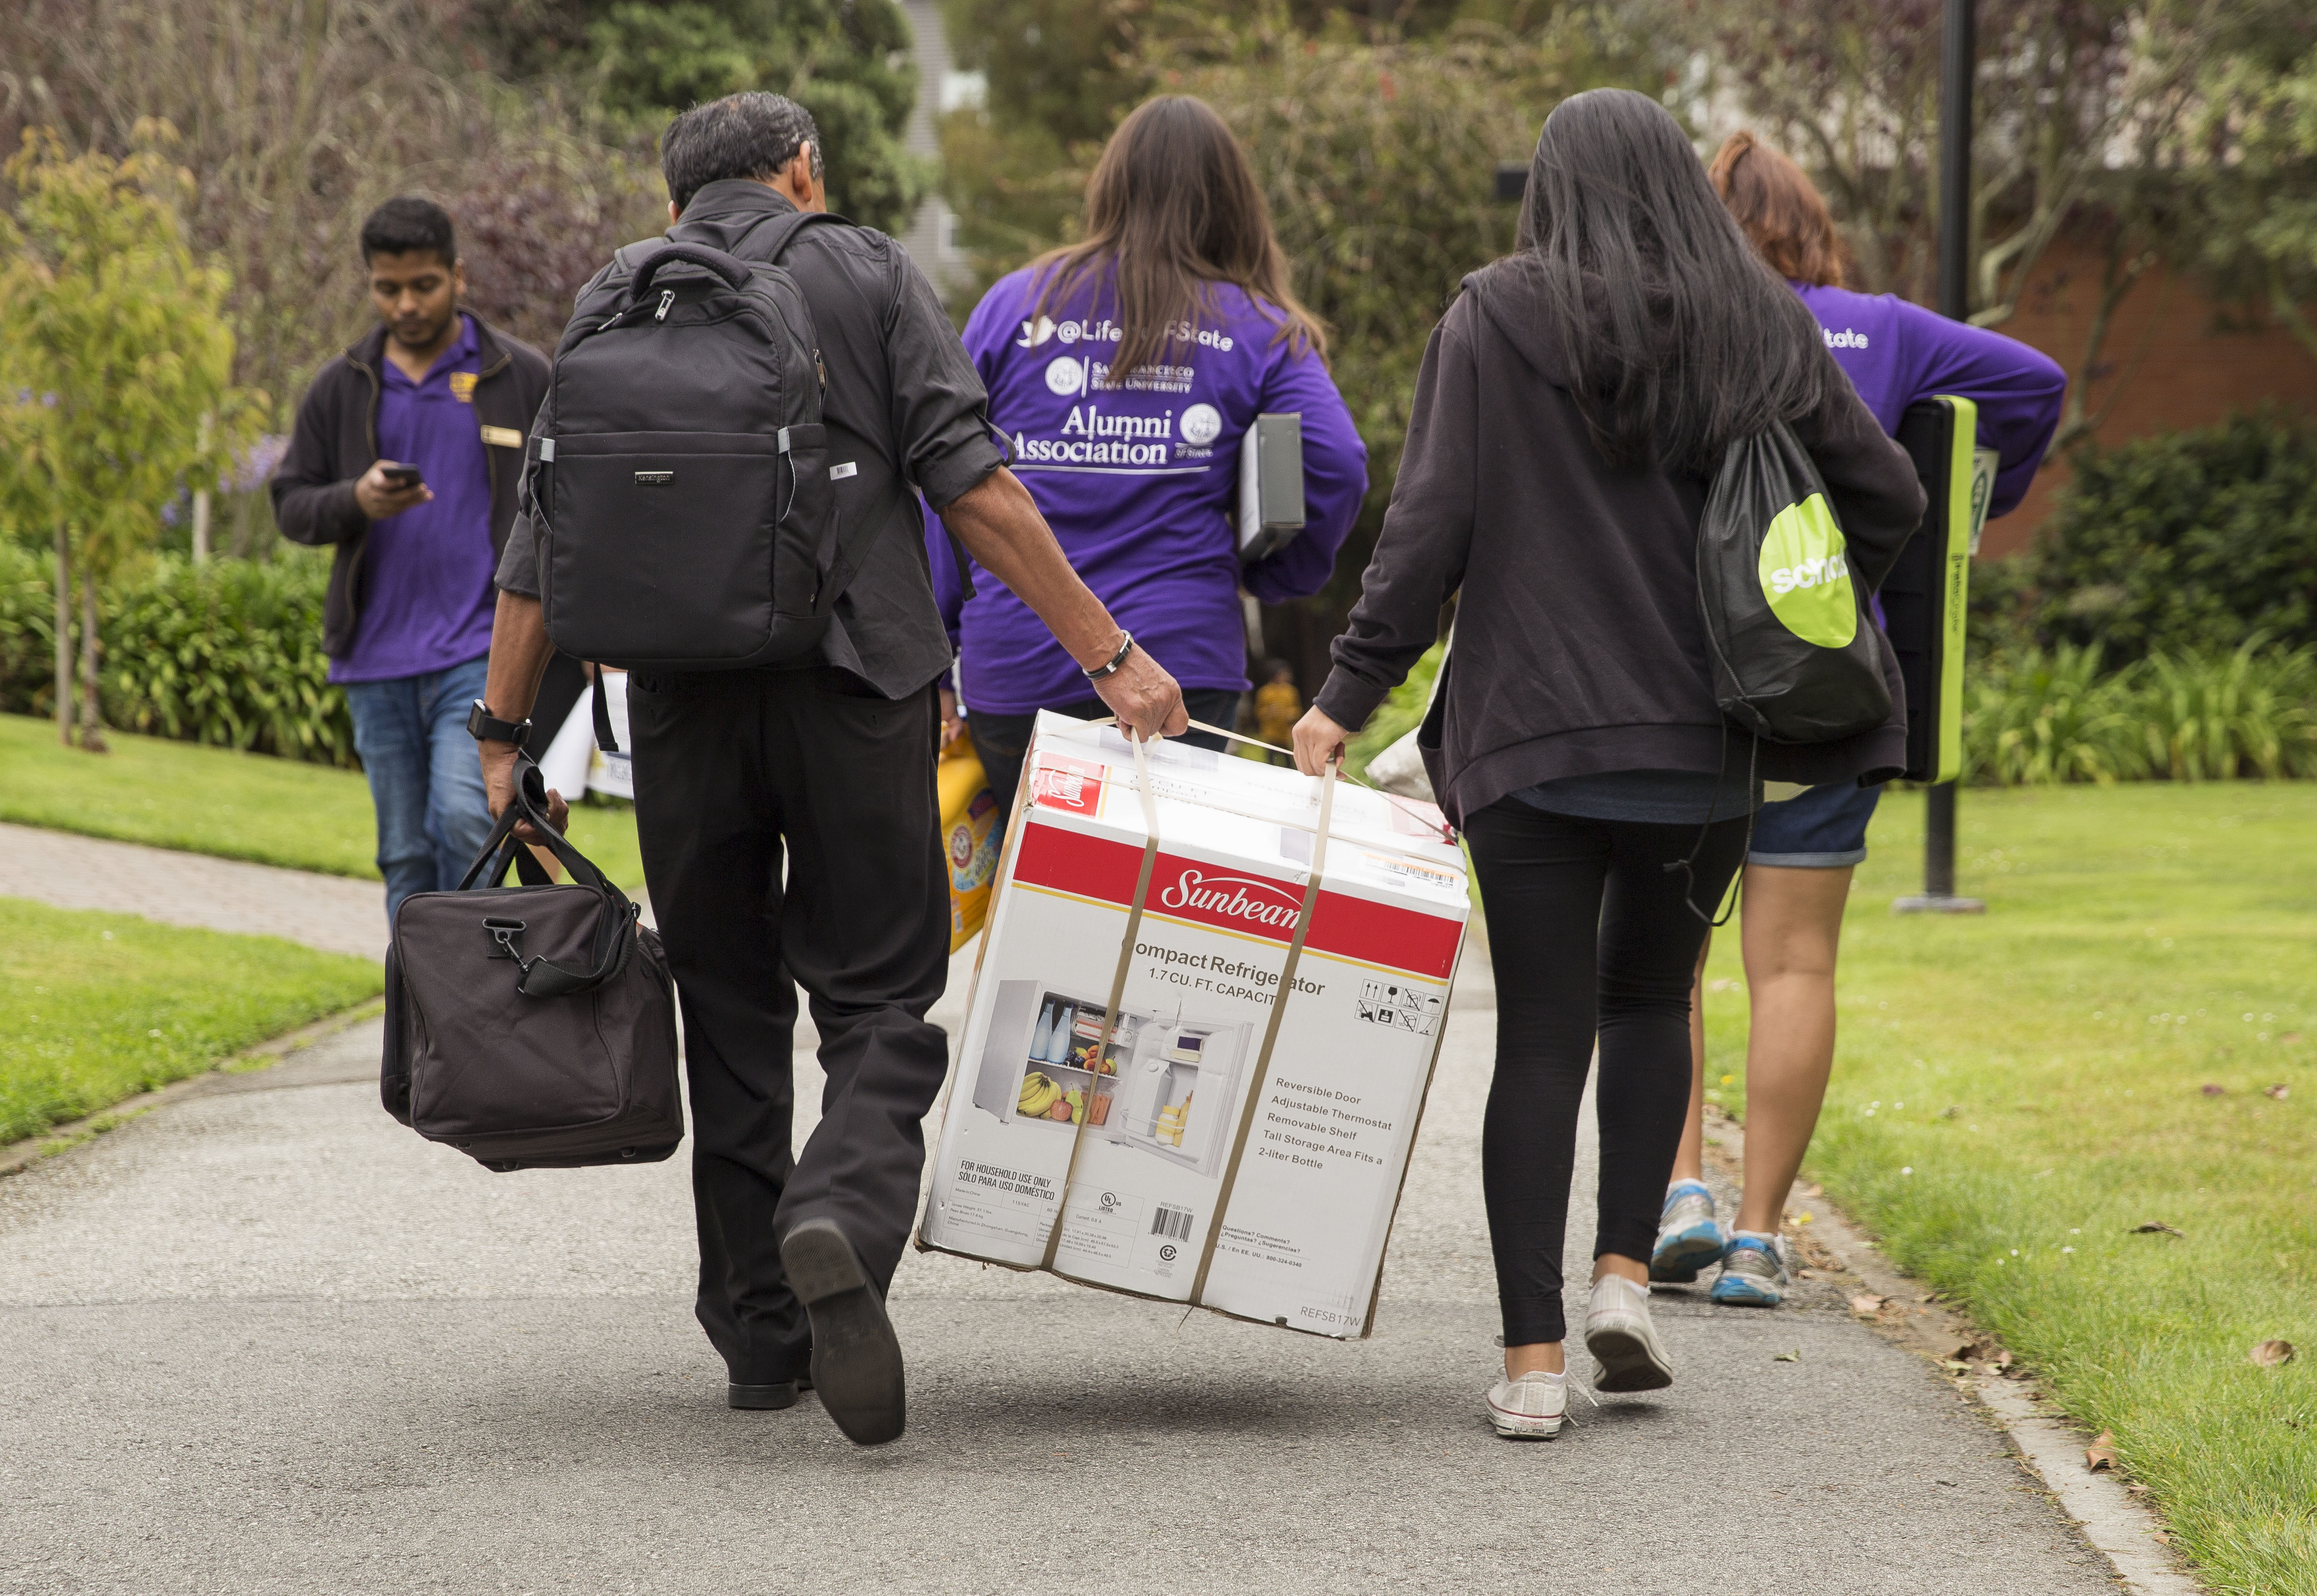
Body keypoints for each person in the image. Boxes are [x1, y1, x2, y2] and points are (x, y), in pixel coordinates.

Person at [473, 93, 1186, 1447]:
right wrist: (1108, 657)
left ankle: (755, 1337)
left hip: (679, 704)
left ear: (672, 194)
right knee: (878, 994)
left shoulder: (617, 297)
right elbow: (976, 488)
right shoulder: (861, 271)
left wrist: (505, 738)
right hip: (857, 688)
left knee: (728, 1003)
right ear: (802, 169)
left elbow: (541, 539)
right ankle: (840, 1213)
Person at [1290, 89, 1924, 1440]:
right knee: (1650, 1002)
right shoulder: (1758, 317)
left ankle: (1528, 1368)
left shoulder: (1494, 314)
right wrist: (1793, 598)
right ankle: (1624, 1281)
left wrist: (1344, 696)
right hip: (1703, 746)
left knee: (1540, 1031)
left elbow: (1431, 524)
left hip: (1529, 742)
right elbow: (1888, 495)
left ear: (1552, 187)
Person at [1651, 132, 2068, 1309]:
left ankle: (1675, 1189)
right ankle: (1756, 1237)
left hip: (1681, 682)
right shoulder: (1876, 329)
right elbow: (2033, 384)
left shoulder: (1672, 324)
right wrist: (1977, 491)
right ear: (1806, 223)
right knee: (1792, 963)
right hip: (1827, 685)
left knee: (1663, 954)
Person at [926, 95, 1366, 819]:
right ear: (1231, 203)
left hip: (1019, 660)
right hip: (1180, 668)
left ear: (1109, 186)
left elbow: (942, 479)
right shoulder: (1256, 326)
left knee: (1039, 903)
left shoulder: (1013, 307)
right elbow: (1338, 459)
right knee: (1152, 916)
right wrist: (1275, 571)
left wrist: (942, 645)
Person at [273, 199, 573, 926]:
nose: (405, 304)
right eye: (387, 288)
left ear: (458, 275)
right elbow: (292, 504)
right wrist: (356, 500)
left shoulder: (519, 376)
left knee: (467, 825)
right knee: (405, 853)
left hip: (480, 651)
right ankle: (422, 1017)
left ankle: (464, 1012)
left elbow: (566, 506)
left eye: (424, 285)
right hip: (375, 659)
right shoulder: (341, 385)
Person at [1253, 659, 1302, 763]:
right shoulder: (1264, 692)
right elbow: (1258, 713)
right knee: (1271, 761)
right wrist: (1269, 712)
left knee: (1289, 761)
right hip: (1271, 734)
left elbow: (1297, 710)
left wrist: (1291, 714)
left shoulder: (1291, 691)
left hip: (1285, 734)